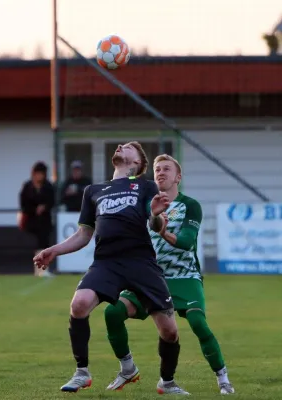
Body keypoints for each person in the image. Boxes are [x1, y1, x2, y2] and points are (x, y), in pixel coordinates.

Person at [33, 142, 189, 395]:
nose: (120, 147)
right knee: (79, 304)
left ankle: (167, 382)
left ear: (137, 163)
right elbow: (84, 234)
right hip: (106, 262)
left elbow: (157, 225)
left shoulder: (145, 185)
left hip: (141, 262)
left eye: (128, 147)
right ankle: (82, 373)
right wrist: (54, 250)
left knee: (170, 332)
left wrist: (155, 214)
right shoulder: (93, 190)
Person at [104, 154, 235, 395]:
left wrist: (163, 232)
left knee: (198, 323)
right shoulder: (143, 205)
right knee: (113, 312)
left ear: (178, 177)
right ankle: (128, 368)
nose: (161, 173)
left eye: (166, 169)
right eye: (157, 169)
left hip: (184, 276)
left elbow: (185, 242)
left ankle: (223, 378)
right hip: (149, 277)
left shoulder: (189, 205)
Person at [19, 161, 55, 252]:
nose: (39, 176)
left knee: (43, 246)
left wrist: (45, 207)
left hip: (45, 222)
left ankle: (42, 264)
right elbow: (23, 203)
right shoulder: (27, 186)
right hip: (30, 223)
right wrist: (34, 209)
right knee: (30, 246)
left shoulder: (48, 186)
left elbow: (52, 201)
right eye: (37, 173)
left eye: (41, 174)